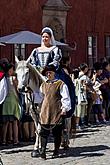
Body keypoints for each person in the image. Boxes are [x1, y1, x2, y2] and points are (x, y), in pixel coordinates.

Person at [39, 64, 71, 160]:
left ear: (54, 73)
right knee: (43, 132)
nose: (48, 74)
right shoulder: (43, 85)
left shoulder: (60, 84)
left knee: (57, 132)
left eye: (50, 72)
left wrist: (64, 108)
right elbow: (40, 97)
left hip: (56, 111)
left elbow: (65, 97)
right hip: (45, 111)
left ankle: (56, 150)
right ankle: (43, 151)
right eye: (47, 73)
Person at [2, 62, 21, 145]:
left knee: (5, 123)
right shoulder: (13, 78)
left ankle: (4, 140)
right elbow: (17, 90)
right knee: (14, 122)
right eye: (12, 69)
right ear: (10, 70)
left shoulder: (3, 78)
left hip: (5, 102)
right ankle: (16, 140)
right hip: (13, 101)